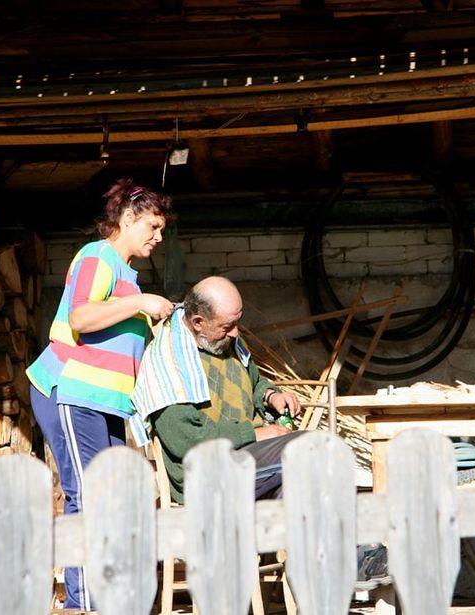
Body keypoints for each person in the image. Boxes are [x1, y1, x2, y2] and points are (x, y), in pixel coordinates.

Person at [27, 178, 175, 610]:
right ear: (128, 218)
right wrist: (141, 304)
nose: (158, 237)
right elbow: (82, 317)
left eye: (161, 229)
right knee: (87, 494)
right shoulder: (98, 257)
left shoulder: (127, 275)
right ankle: (83, 603)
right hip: (72, 391)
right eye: (153, 226)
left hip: (104, 401)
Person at [131, 275, 303, 504]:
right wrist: (254, 433)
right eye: (227, 326)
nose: (235, 333)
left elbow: (255, 381)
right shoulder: (168, 363)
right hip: (205, 472)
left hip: (249, 453)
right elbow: (185, 441)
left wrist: (270, 396)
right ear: (198, 322)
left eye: (236, 323)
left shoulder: (226, 342)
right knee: (310, 450)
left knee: (295, 488)